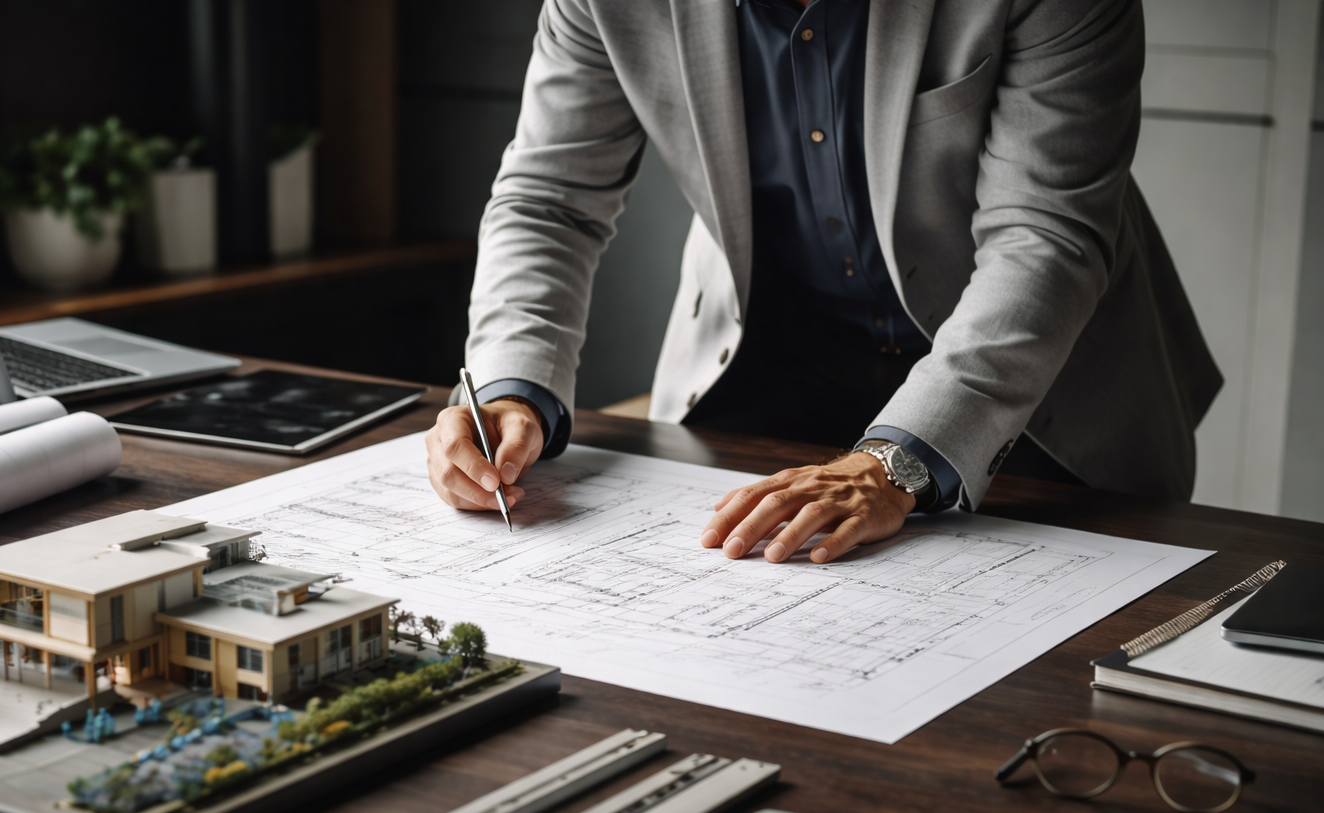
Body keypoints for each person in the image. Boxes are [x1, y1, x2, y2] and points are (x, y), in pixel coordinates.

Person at [425, 0, 1220, 565]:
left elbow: (1043, 239)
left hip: (1034, 394)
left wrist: (896, 463)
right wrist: (509, 387)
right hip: (764, 360)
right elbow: (550, 198)